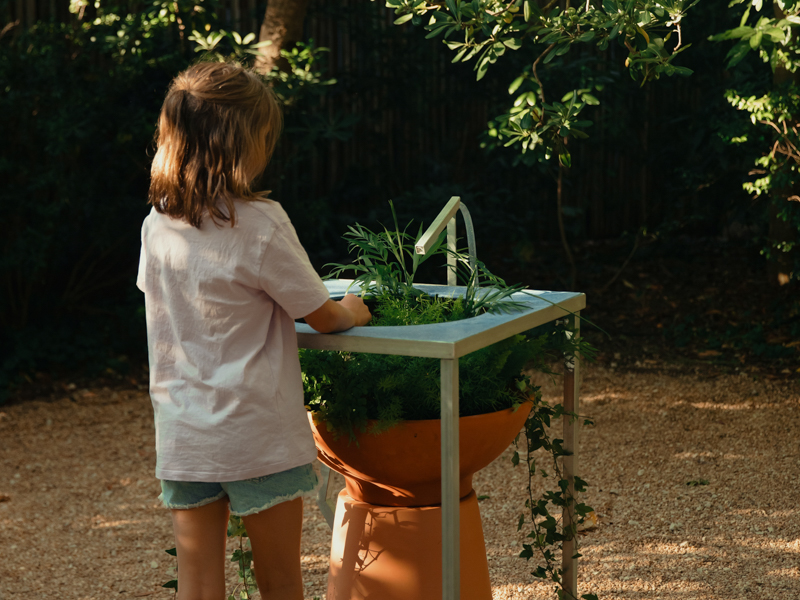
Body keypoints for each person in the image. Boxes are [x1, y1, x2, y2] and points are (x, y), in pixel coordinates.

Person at [137, 62, 371, 600]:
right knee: (281, 581)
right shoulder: (261, 223)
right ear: (244, 143)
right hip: (256, 434)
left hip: (184, 434)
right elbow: (324, 315)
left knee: (196, 584)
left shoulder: (156, 224)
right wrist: (356, 307)